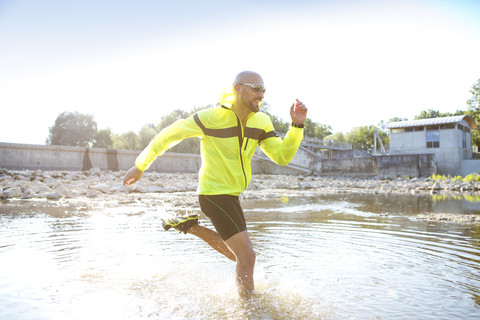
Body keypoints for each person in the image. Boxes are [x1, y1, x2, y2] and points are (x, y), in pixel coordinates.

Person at [123, 71, 307, 297]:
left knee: (238, 255)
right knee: (247, 256)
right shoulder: (211, 118)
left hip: (232, 195)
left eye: (263, 90)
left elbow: (281, 156)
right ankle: (247, 308)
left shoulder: (262, 121)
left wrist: (296, 127)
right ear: (238, 88)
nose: (261, 95)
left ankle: (190, 227)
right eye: (256, 89)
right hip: (213, 195)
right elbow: (170, 134)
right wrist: (141, 165)